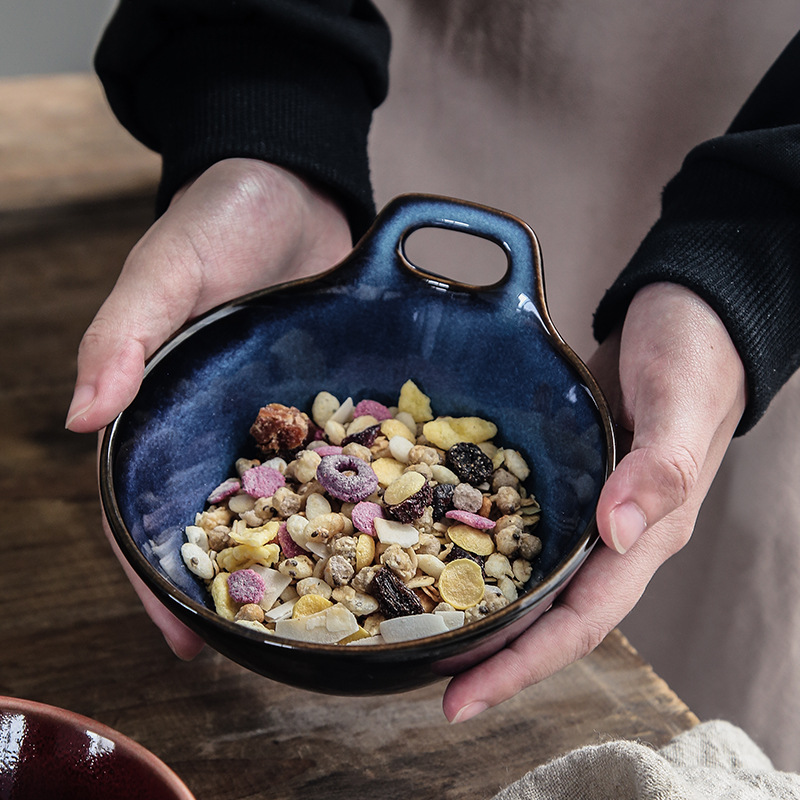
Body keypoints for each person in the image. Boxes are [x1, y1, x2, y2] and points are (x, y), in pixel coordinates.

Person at [66, 0, 800, 762]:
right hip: (375, 101)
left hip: (758, 140)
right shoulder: (337, 489)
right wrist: (270, 124)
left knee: (686, 645)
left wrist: (747, 261)